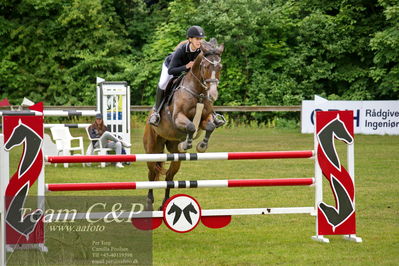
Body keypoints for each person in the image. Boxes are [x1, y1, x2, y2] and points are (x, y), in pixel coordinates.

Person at [149, 25, 225, 127]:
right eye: (197, 39)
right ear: (190, 39)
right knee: (162, 84)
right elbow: (172, 70)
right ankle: (156, 112)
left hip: (189, 71)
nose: (199, 41)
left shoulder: (201, 48)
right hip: (172, 67)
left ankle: (213, 114)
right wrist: (186, 66)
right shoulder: (181, 50)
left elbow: (210, 54)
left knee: (204, 84)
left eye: (201, 39)